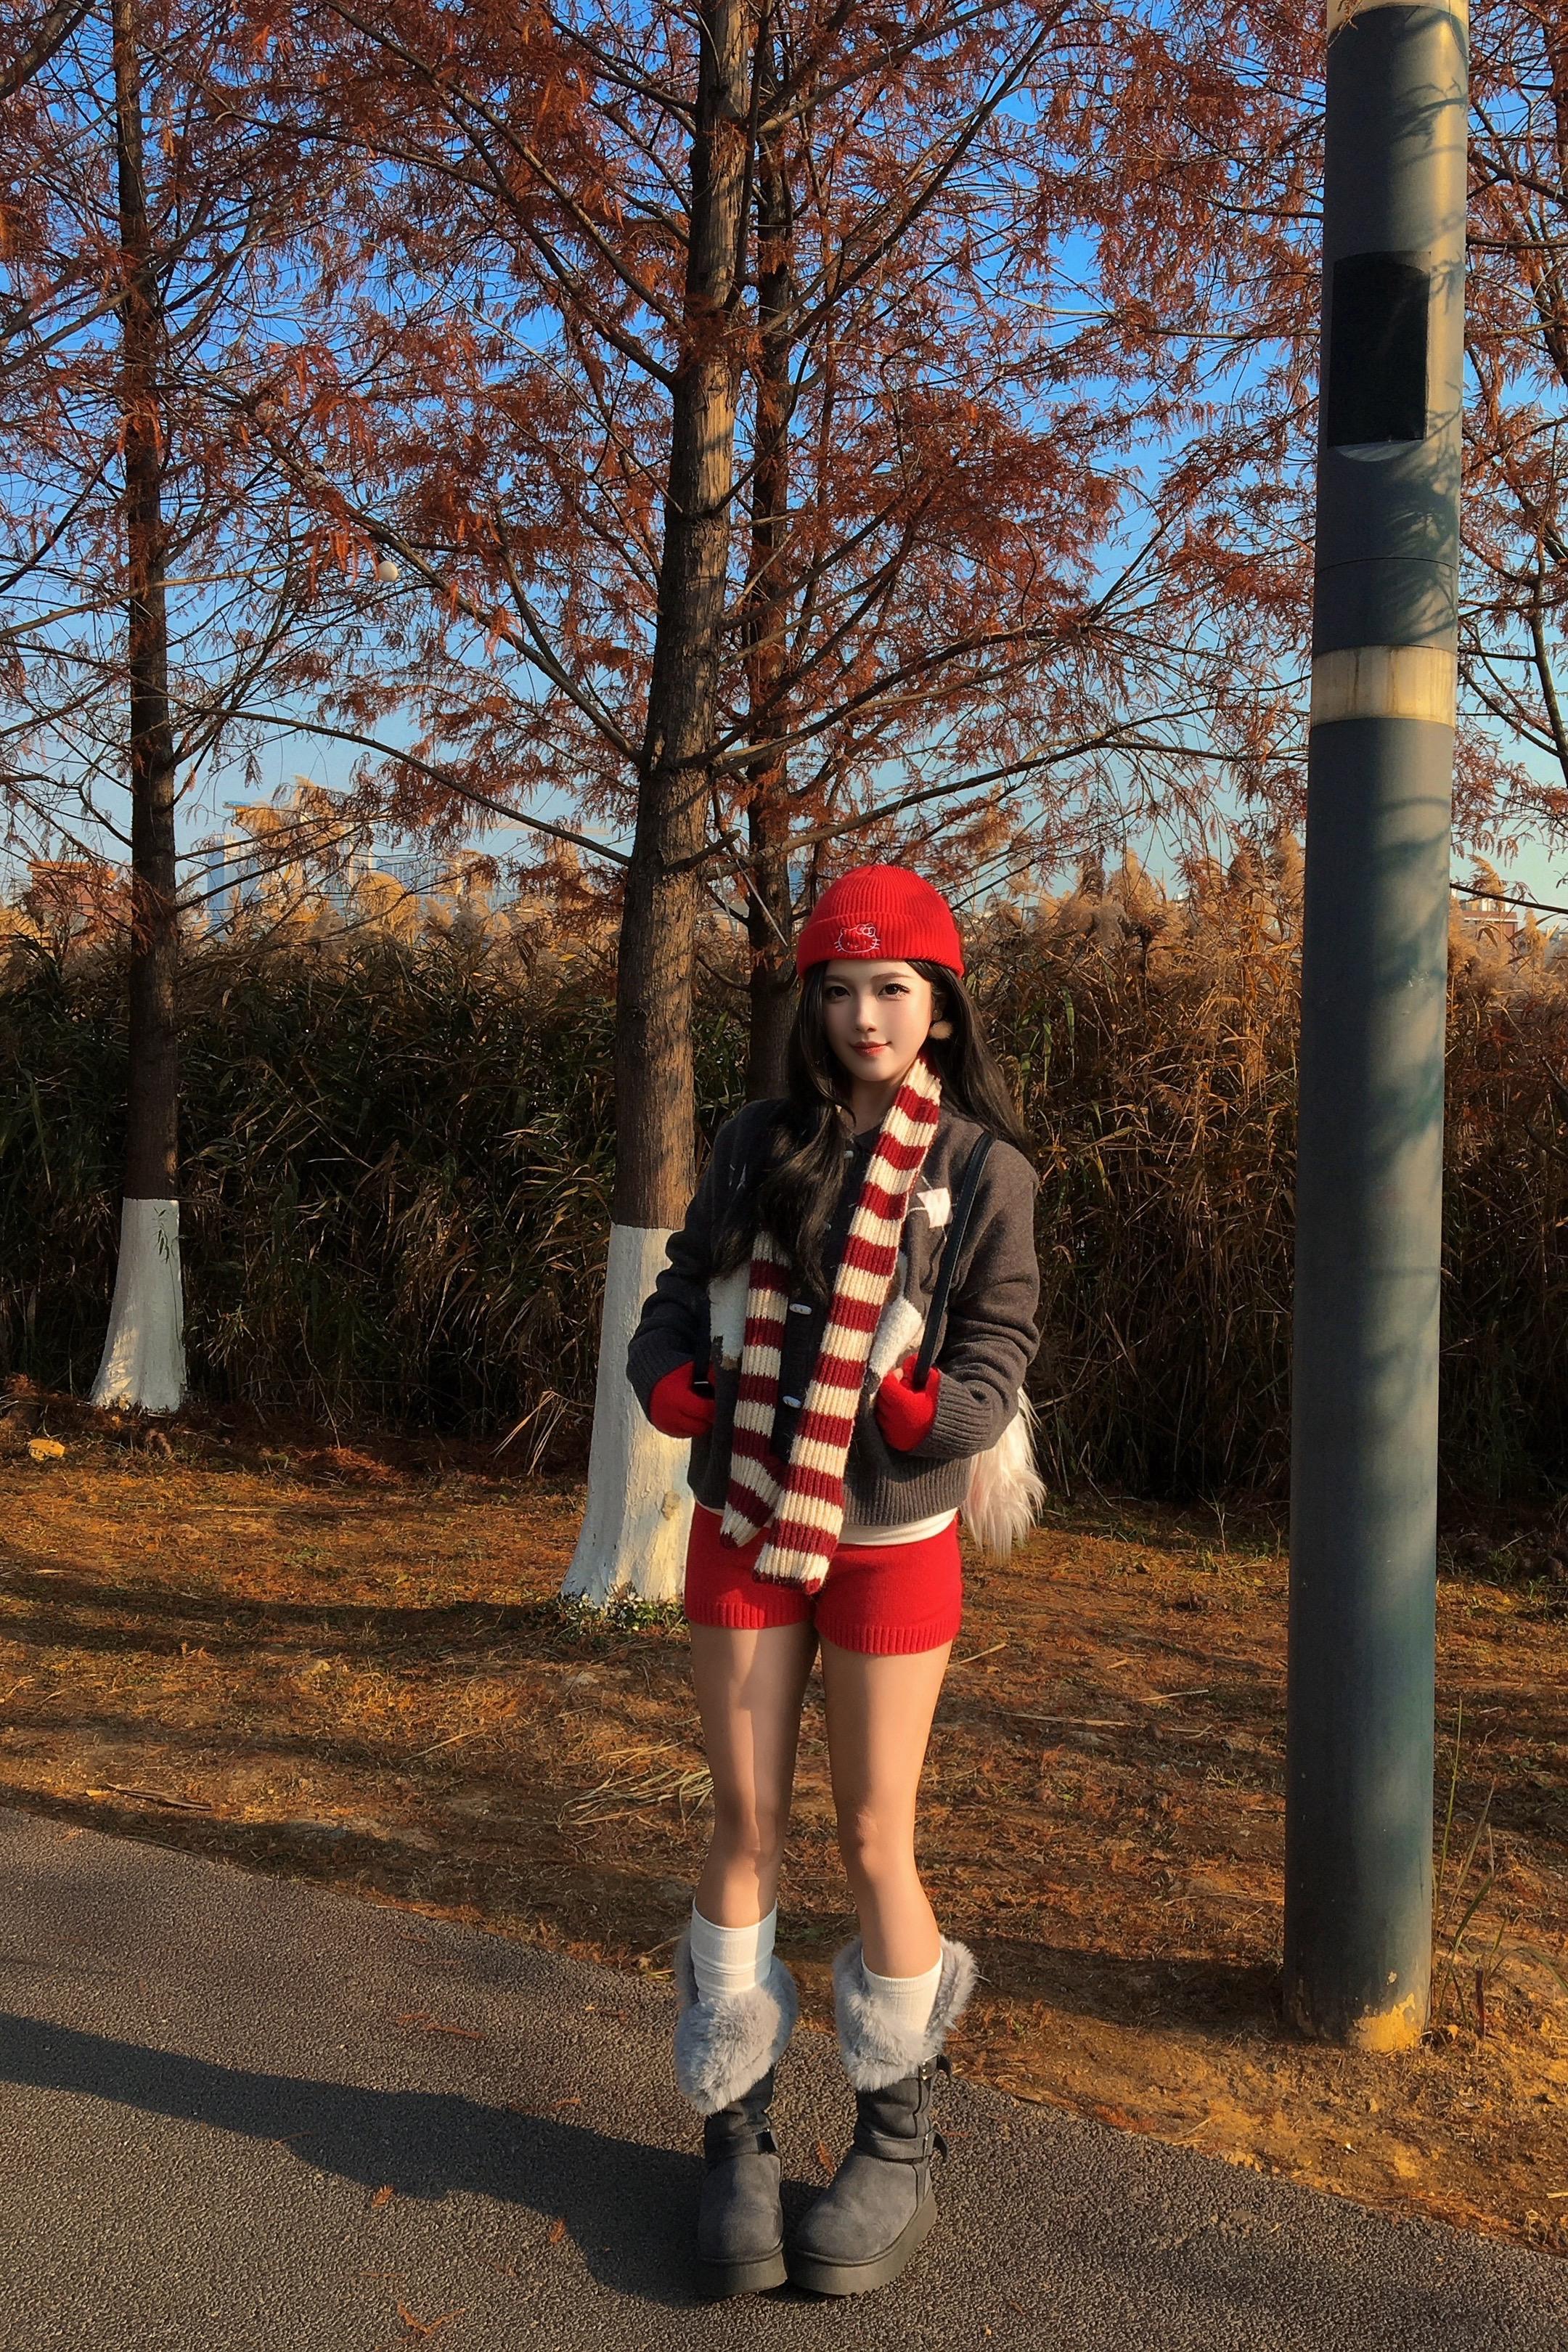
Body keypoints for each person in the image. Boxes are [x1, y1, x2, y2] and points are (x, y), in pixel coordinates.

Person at [625, 864, 1042, 2299]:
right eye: (842, 988)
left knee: (874, 1839)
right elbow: (678, 1288)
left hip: (893, 1543)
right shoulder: (758, 1142)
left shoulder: (985, 1171)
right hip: (745, 1521)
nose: (867, 1015)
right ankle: (733, 2136)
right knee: (745, 1821)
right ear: (812, 1003)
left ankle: (895, 2143)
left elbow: (999, 1351)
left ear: (942, 1008)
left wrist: (939, 1415)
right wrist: (666, 1377)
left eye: (895, 988)